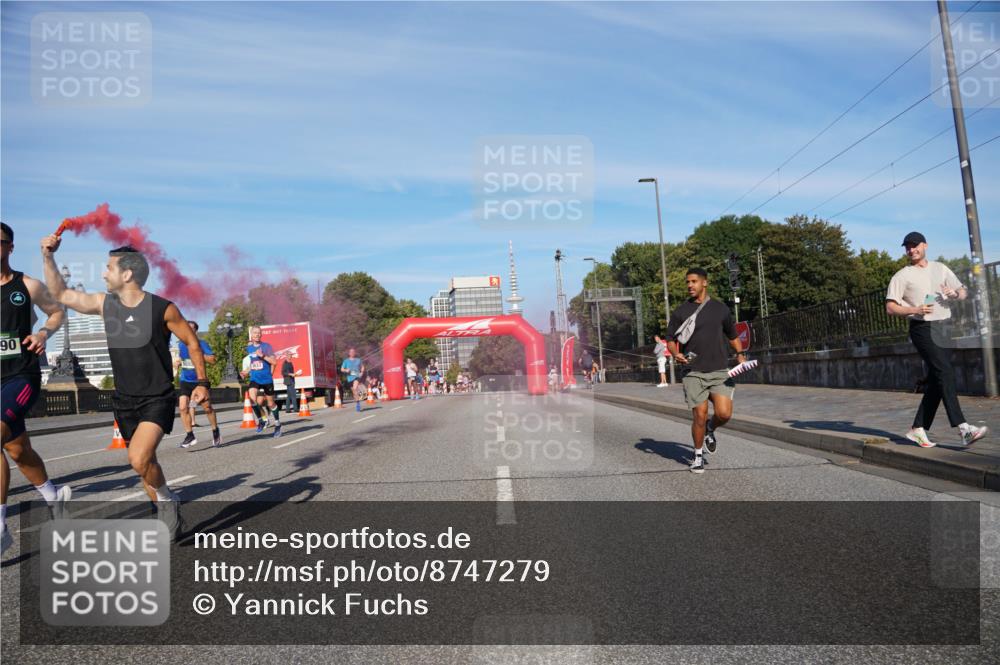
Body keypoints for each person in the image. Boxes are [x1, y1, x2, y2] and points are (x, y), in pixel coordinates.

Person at [41, 237, 208, 539]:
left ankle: (167, 501)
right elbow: (61, 293)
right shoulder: (106, 304)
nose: (103, 273)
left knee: (138, 458)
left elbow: (192, 342)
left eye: (109, 268)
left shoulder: (163, 308)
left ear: (127, 274)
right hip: (124, 399)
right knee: (145, 465)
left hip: (157, 396)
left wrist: (202, 382)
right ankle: (164, 505)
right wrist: (47, 256)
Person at [1, 223, 71, 555]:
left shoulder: (27, 285)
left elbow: (57, 312)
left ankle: (1, 529)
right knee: (18, 450)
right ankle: (54, 498)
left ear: (10, 247)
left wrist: (43, 333)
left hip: (20, 376)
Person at [886, 231, 988, 447]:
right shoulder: (902, 275)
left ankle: (918, 429)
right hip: (922, 328)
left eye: (915, 245)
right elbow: (891, 307)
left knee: (936, 378)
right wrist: (915, 309)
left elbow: (963, 291)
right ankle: (963, 428)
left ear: (925, 245)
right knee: (945, 372)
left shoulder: (940, 268)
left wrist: (955, 294)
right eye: (907, 247)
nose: (911, 250)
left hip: (945, 327)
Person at [666, 267, 746, 474]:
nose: (689, 285)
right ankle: (698, 456)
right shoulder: (681, 311)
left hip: (719, 370)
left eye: (693, 281)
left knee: (724, 414)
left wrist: (740, 354)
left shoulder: (720, 309)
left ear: (704, 283)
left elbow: (732, 335)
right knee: (699, 415)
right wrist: (675, 353)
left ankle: (711, 428)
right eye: (687, 282)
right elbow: (670, 339)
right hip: (693, 371)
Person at [174, 321, 221, 448]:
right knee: (183, 407)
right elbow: (185, 360)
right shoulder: (181, 344)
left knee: (207, 408)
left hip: (200, 382)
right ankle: (190, 435)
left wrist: (198, 353)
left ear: (195, 331)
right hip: (185, 381)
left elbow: (213, 360)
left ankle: (215, 430)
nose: (188, 330)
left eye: (191, 328)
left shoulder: (202, 344)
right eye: (186, 328)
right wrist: (178, 362)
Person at [244, 326, 282, 437]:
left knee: (270, 404)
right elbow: (253, 364)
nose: (257, 334)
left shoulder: (266, 346)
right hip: (255, 378)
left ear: (261, 334)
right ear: (251, 335)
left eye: (259, 333)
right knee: (252, 400)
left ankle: (277, 424)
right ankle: (261, 421)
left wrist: (263, 356)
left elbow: (274, 362)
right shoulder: (249, 348)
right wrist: (246, 371)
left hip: (266, 379)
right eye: (255, 333)